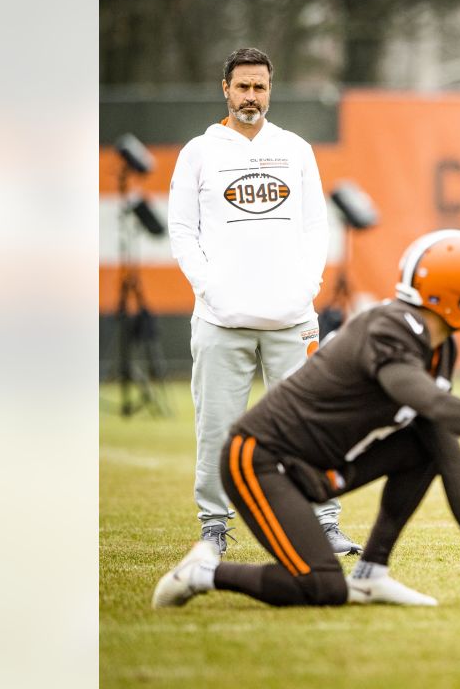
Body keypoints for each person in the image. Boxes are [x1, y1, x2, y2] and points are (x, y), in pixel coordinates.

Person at [153, 230, 460, 609]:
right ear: (448, 294)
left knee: (427, 443)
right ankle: (203, 573)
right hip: (260, 459)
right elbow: (435, 404)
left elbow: (445, 446)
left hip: (312, 466)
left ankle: (372, 572)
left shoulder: (440, 347)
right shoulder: (390, 329)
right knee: (322, 585)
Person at [167, 47, 359, 555]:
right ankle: (213, 525)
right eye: (243, 86)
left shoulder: (295, 149)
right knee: (218, 429)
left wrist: (306, 286)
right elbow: (182, 231)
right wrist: (209, 287)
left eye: (261, 87)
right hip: (219, 320)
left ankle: (324, 520)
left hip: (292, 318)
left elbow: (316, 226)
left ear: (270, 90)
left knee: (313, 424)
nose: (252, 96)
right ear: (224, 89)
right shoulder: (199, 153)